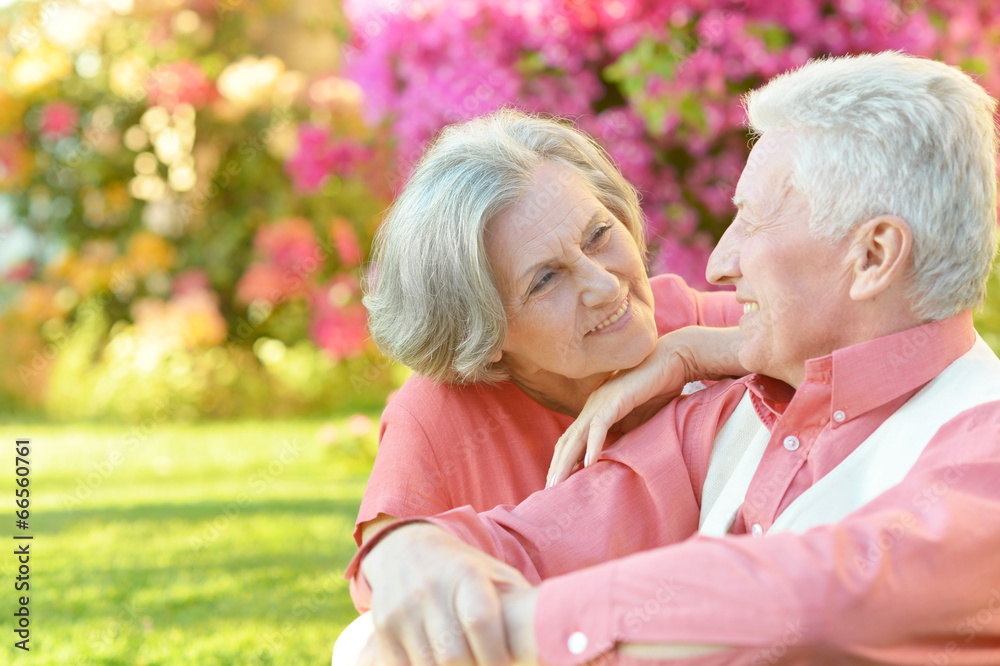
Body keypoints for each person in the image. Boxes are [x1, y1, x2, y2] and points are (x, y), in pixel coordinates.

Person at [348, 51, 1000, 665]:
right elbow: (534, 539)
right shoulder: (722, 418)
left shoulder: (981, 444)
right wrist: (409, 548)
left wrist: (525, 626)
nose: (719, 263)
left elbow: (831, 586)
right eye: (545, 279)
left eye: (751, 220)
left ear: (873, 256)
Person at [354, 109, 744, 551]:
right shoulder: (436, 417)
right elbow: (390, 566)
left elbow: (834, 341)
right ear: (483, 329)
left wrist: (689, 354)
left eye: (598, 235)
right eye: (545, 280)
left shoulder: (689, 320)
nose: (603, 284)